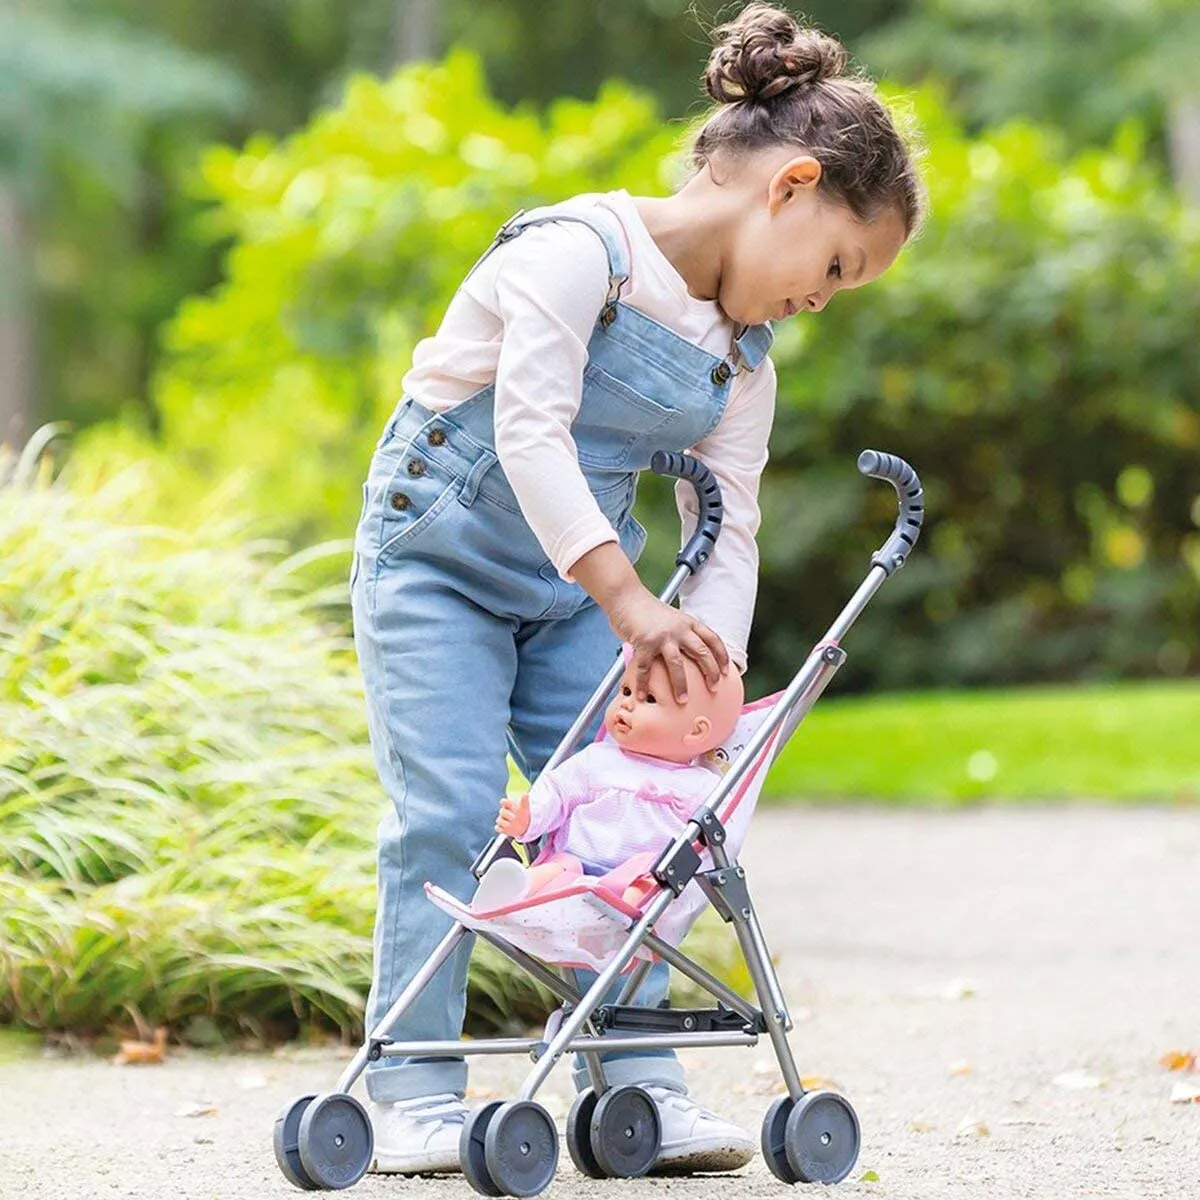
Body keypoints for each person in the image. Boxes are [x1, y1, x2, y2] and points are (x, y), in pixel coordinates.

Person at [350, 0, 923, 1177]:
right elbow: (530, 434)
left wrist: (702, 663)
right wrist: (629, 604)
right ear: (791, 186)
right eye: (833, 265)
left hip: (576, 596)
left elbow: (730, 524)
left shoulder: (741, 362)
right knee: (449, 816)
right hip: (437, 572)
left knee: (633, 824)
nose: (823, 298)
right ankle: (412, 1085)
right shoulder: (577, 255)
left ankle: (641, 1081)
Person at [472, 655, 745, 911]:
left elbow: (722, 839)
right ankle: (515, 889)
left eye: (649, 698)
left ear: (695, 731)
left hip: (635, 879)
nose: (626, 703)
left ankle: (626, 911)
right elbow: (557, 790)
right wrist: (529, 817)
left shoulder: (701, 786)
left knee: (647, 875)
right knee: (555, 869)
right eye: (625, 691)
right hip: (574, 867)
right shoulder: (598, 759)